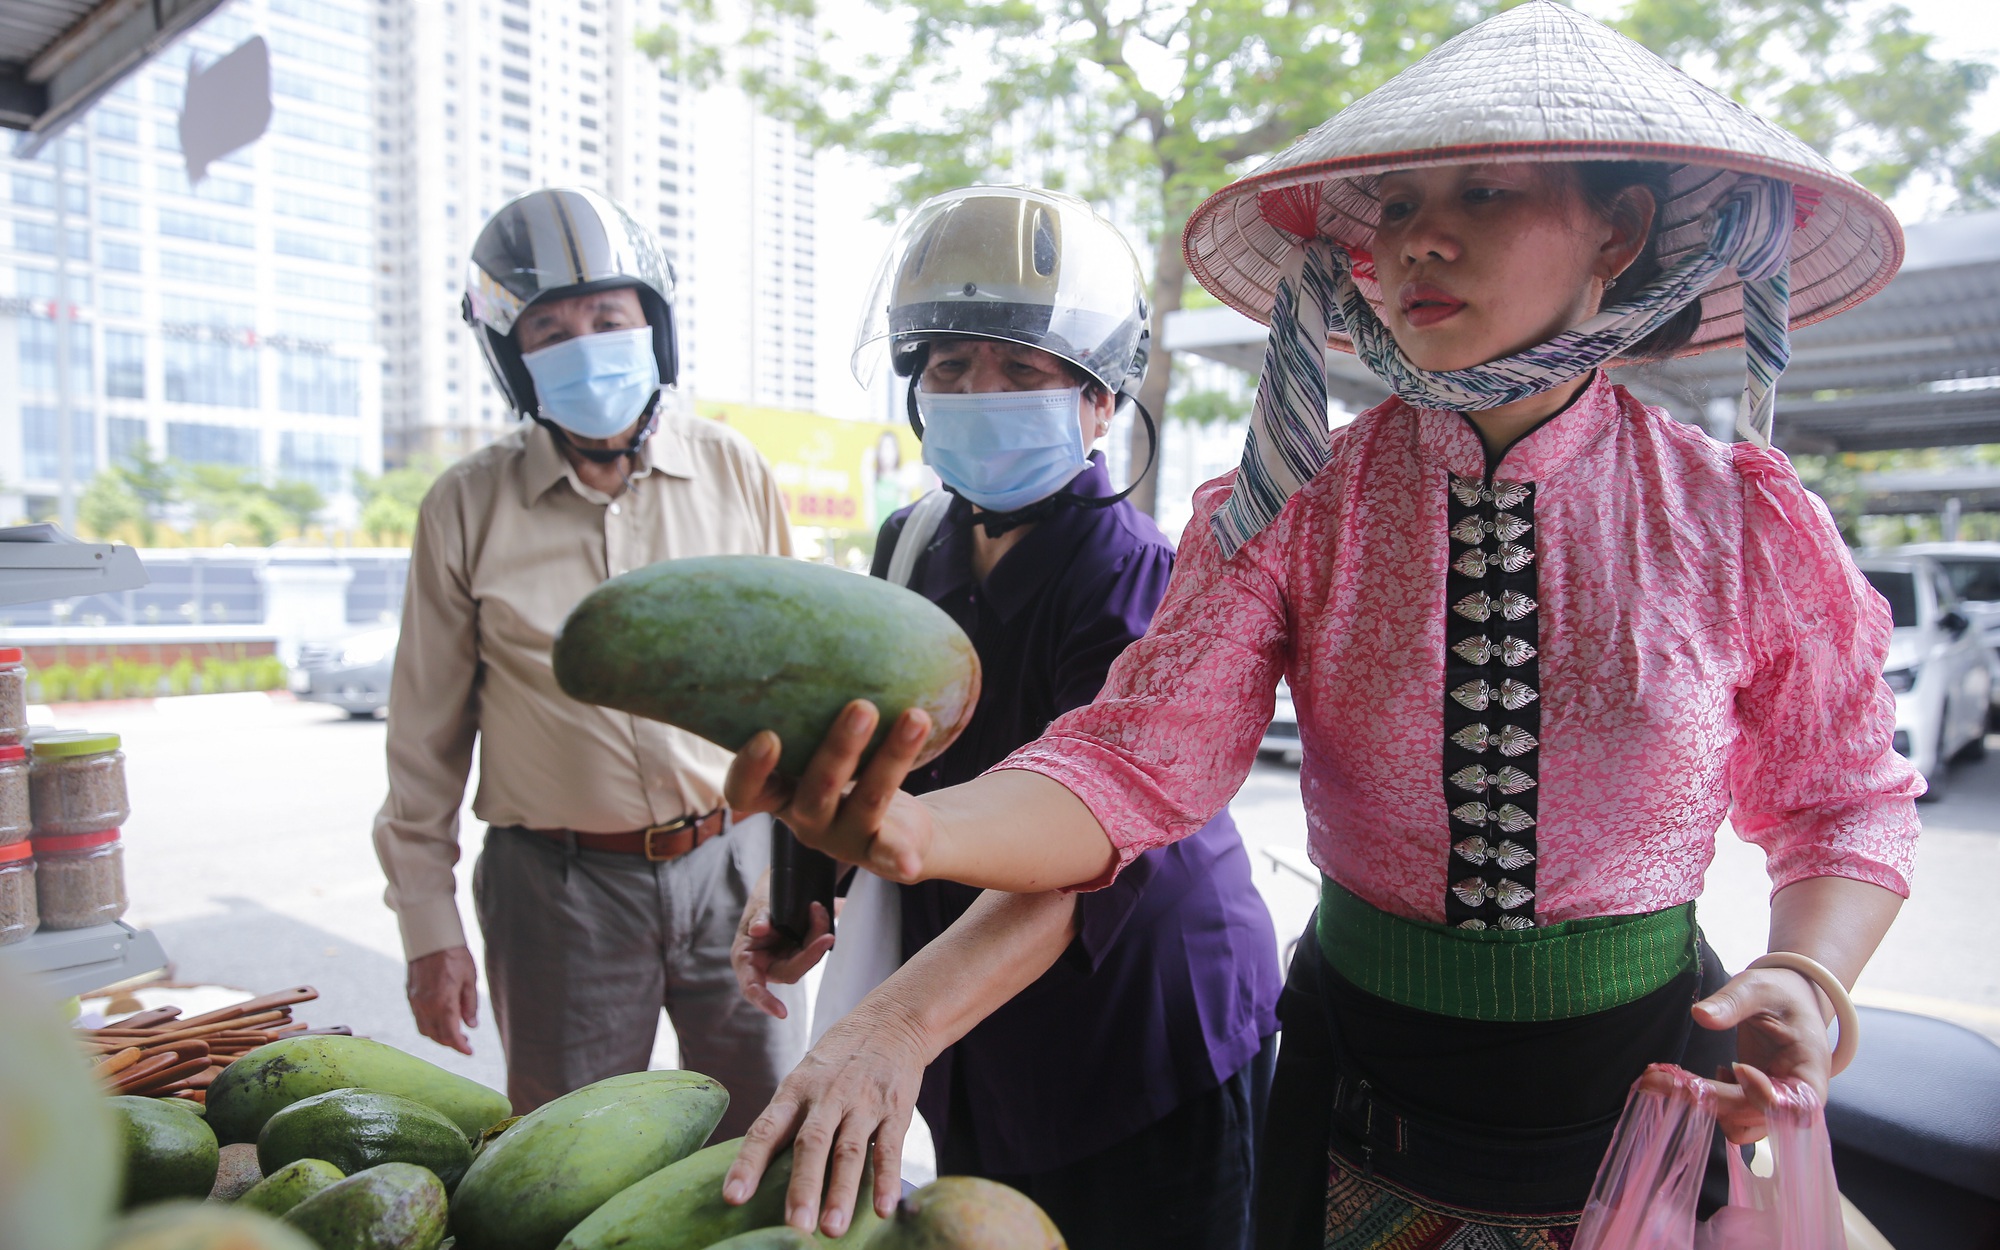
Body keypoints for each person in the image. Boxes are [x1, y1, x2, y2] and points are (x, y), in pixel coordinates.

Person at [718, 6, 1924, 1246]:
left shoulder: (1734, 515)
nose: (1420, 240)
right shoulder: (1295, 503)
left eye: (1484, 191)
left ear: (1616, 230)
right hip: (1360, 1084)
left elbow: (1840, 797)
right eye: (1394, 208)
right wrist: (917, 827)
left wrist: (1807, 970)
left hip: (1646, 1087)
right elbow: (1135, 759)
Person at [727, 187, 1281, 1249]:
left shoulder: (1139, 584)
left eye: (1021, 371)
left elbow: (1086, 847)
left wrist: (896, 1019)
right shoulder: (908, 547)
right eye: (949, 367)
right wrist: (799, 893)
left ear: (1100, 401)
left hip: (1144, 1026)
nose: (980, 391)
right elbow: (871, 759)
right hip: (975, 1028)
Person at [371, 187, 806, 1130]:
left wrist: (804, 876)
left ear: (654, 325)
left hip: (736, 865)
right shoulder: (466, 505)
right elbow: (423, 741)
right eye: (551, 328)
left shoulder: (736, 472)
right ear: (513, 357)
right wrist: (428, 928)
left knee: (765, 1139)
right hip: (557, 892)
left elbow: (795, 690)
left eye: (609, 318)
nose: (586, 343)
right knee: (564, 1162)